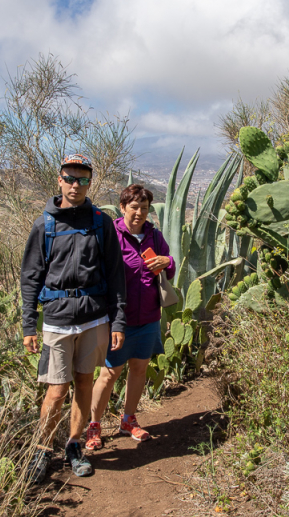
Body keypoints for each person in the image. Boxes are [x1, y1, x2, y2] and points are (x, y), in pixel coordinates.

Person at [20, 153, 126, 482]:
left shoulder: (100, 222)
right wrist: (28, 324)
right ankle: (40, 450)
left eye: (82, 179)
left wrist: (118, 320)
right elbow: (30, 277)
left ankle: (74, 445)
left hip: (95, 318)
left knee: (83, 381)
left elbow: (115, 274)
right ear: (59, 179)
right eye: (70, 178)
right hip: (55, 320)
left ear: (89, 183)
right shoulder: (45, 224)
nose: (75, 185)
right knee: (56, 390)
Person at [85, 184, 175, 450]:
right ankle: (94, 425)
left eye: (144, 208)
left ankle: (128, 420)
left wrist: (166, 262)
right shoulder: (111, 234)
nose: (139, 213)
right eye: (134, 207)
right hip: (117, 319)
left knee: (139, 368)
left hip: (148, 316)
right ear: (122, 207)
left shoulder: (154, 236)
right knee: (110, 372)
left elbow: (169, 266)